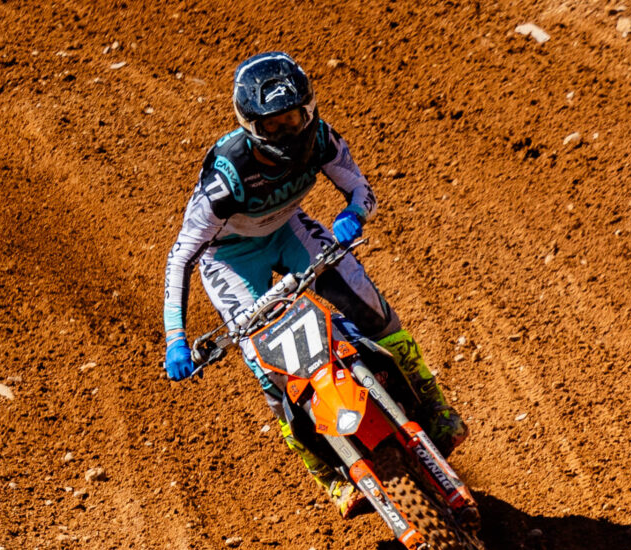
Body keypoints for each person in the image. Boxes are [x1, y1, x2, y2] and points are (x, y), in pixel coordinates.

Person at [160, 53, 465, 514]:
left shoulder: (321, 138)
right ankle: (327, 474)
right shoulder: (227, 177)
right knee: (268, 369)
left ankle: (434, 404)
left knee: (367, 305)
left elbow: (361, 188)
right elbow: (182, 255)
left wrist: (354, 214)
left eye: (293, 118)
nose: (287, 131)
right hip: (229, 258)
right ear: (251, 126)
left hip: (288, 228)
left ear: (309, 108)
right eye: (273, 125)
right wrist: (176, 339)